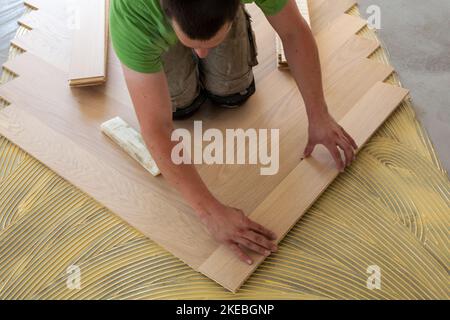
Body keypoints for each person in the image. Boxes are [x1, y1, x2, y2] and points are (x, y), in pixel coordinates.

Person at [110, 0, 358, 265]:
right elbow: (157, 127)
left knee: (232, 93)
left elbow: (293, 31)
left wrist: (319, 114)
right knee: (182, 105)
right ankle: (180, 40)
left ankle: (220, 26)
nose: (201, 54)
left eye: (208, 43)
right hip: (152, 26)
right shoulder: (131, 13)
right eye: (194, 45)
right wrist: (209, 212)